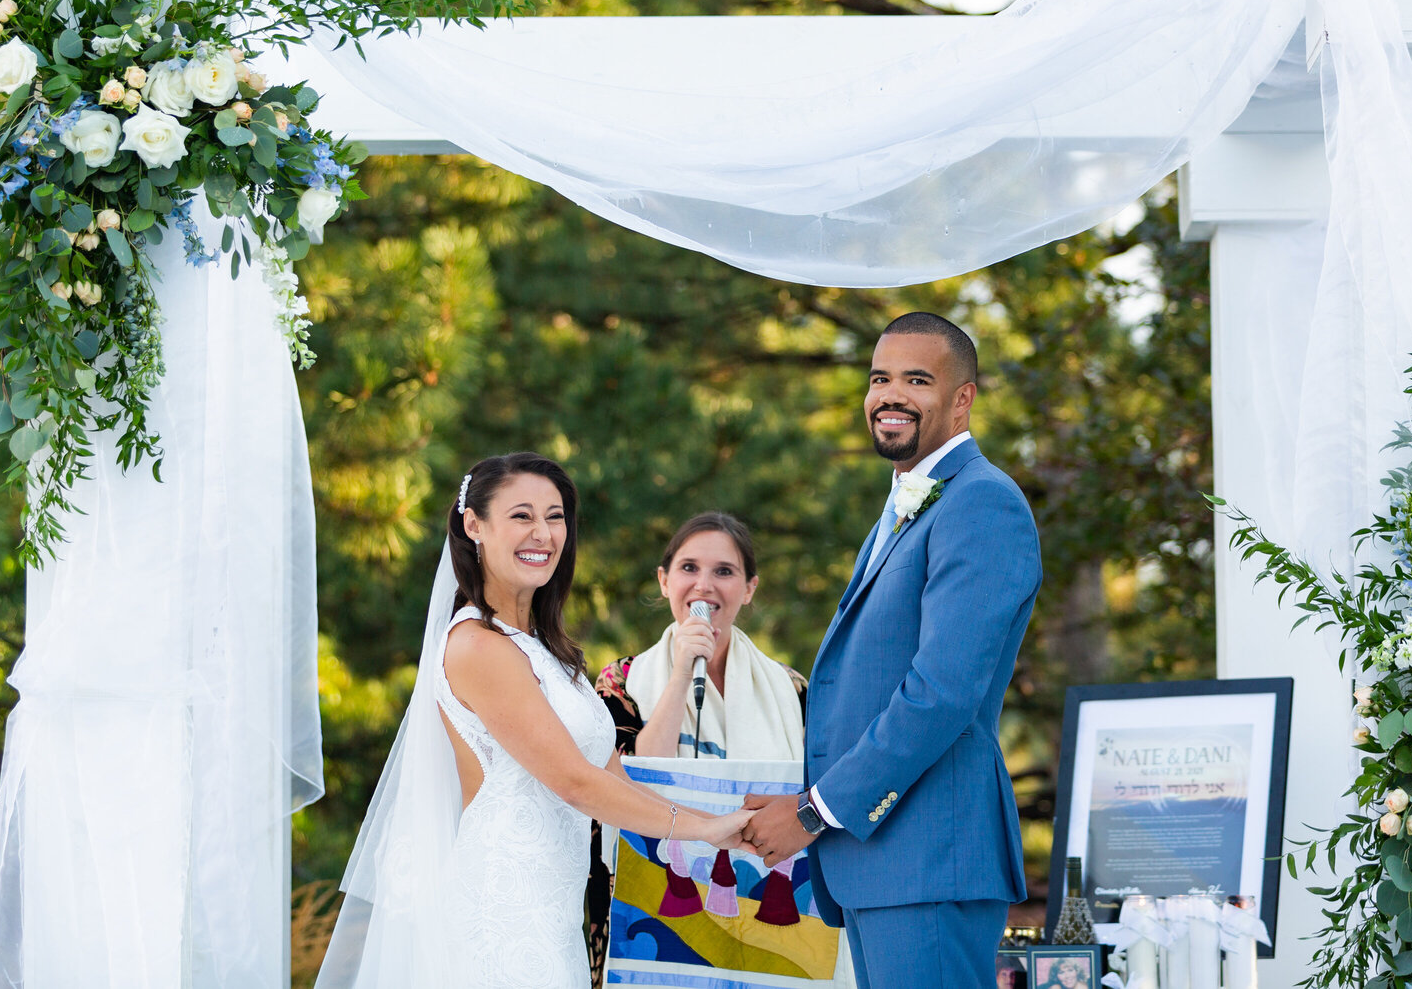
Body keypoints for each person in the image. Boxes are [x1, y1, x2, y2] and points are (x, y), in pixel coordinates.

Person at [316, 453, 754, 989]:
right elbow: (573, 781)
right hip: (500, 911)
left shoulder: (549, 652)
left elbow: (615, 775)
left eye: (556, 516)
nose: (543, 534)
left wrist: (726, 824)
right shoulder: (477, 644)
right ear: (473, 525)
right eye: (522, 515)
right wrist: (704, 829)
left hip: (551, 914)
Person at [738, 313, 1043, 989]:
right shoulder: (904, 507)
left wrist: (816, 810)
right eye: (880, 378)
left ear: (963, 397)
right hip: (883, 866)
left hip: (928, 859)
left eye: (916, 379)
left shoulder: (982, 502)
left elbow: (941, 692)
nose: (889, 394)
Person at [596, 511, 806, 760]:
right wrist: (682, 675)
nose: (704, 585)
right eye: (689, 568)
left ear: (749, 589)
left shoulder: (791, 687)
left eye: (724, 571)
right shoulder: (620, 680)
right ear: (664, 581)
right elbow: (631, 779)